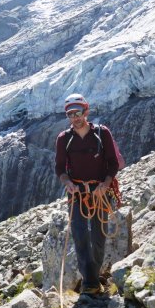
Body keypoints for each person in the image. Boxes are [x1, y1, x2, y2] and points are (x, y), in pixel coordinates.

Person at [54, 93, 120, 296]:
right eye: (70, 114)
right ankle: (90, 282)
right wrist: (67, 183)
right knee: (80, 234)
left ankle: (94, 275)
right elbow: (60, 168)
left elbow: (113, 163)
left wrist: (105, 183)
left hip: (100, 191)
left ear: (86, 112)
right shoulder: (64, 139)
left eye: (78, 112)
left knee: (98, 236)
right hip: (77, 193)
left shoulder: (102, 133)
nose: (75, 117)